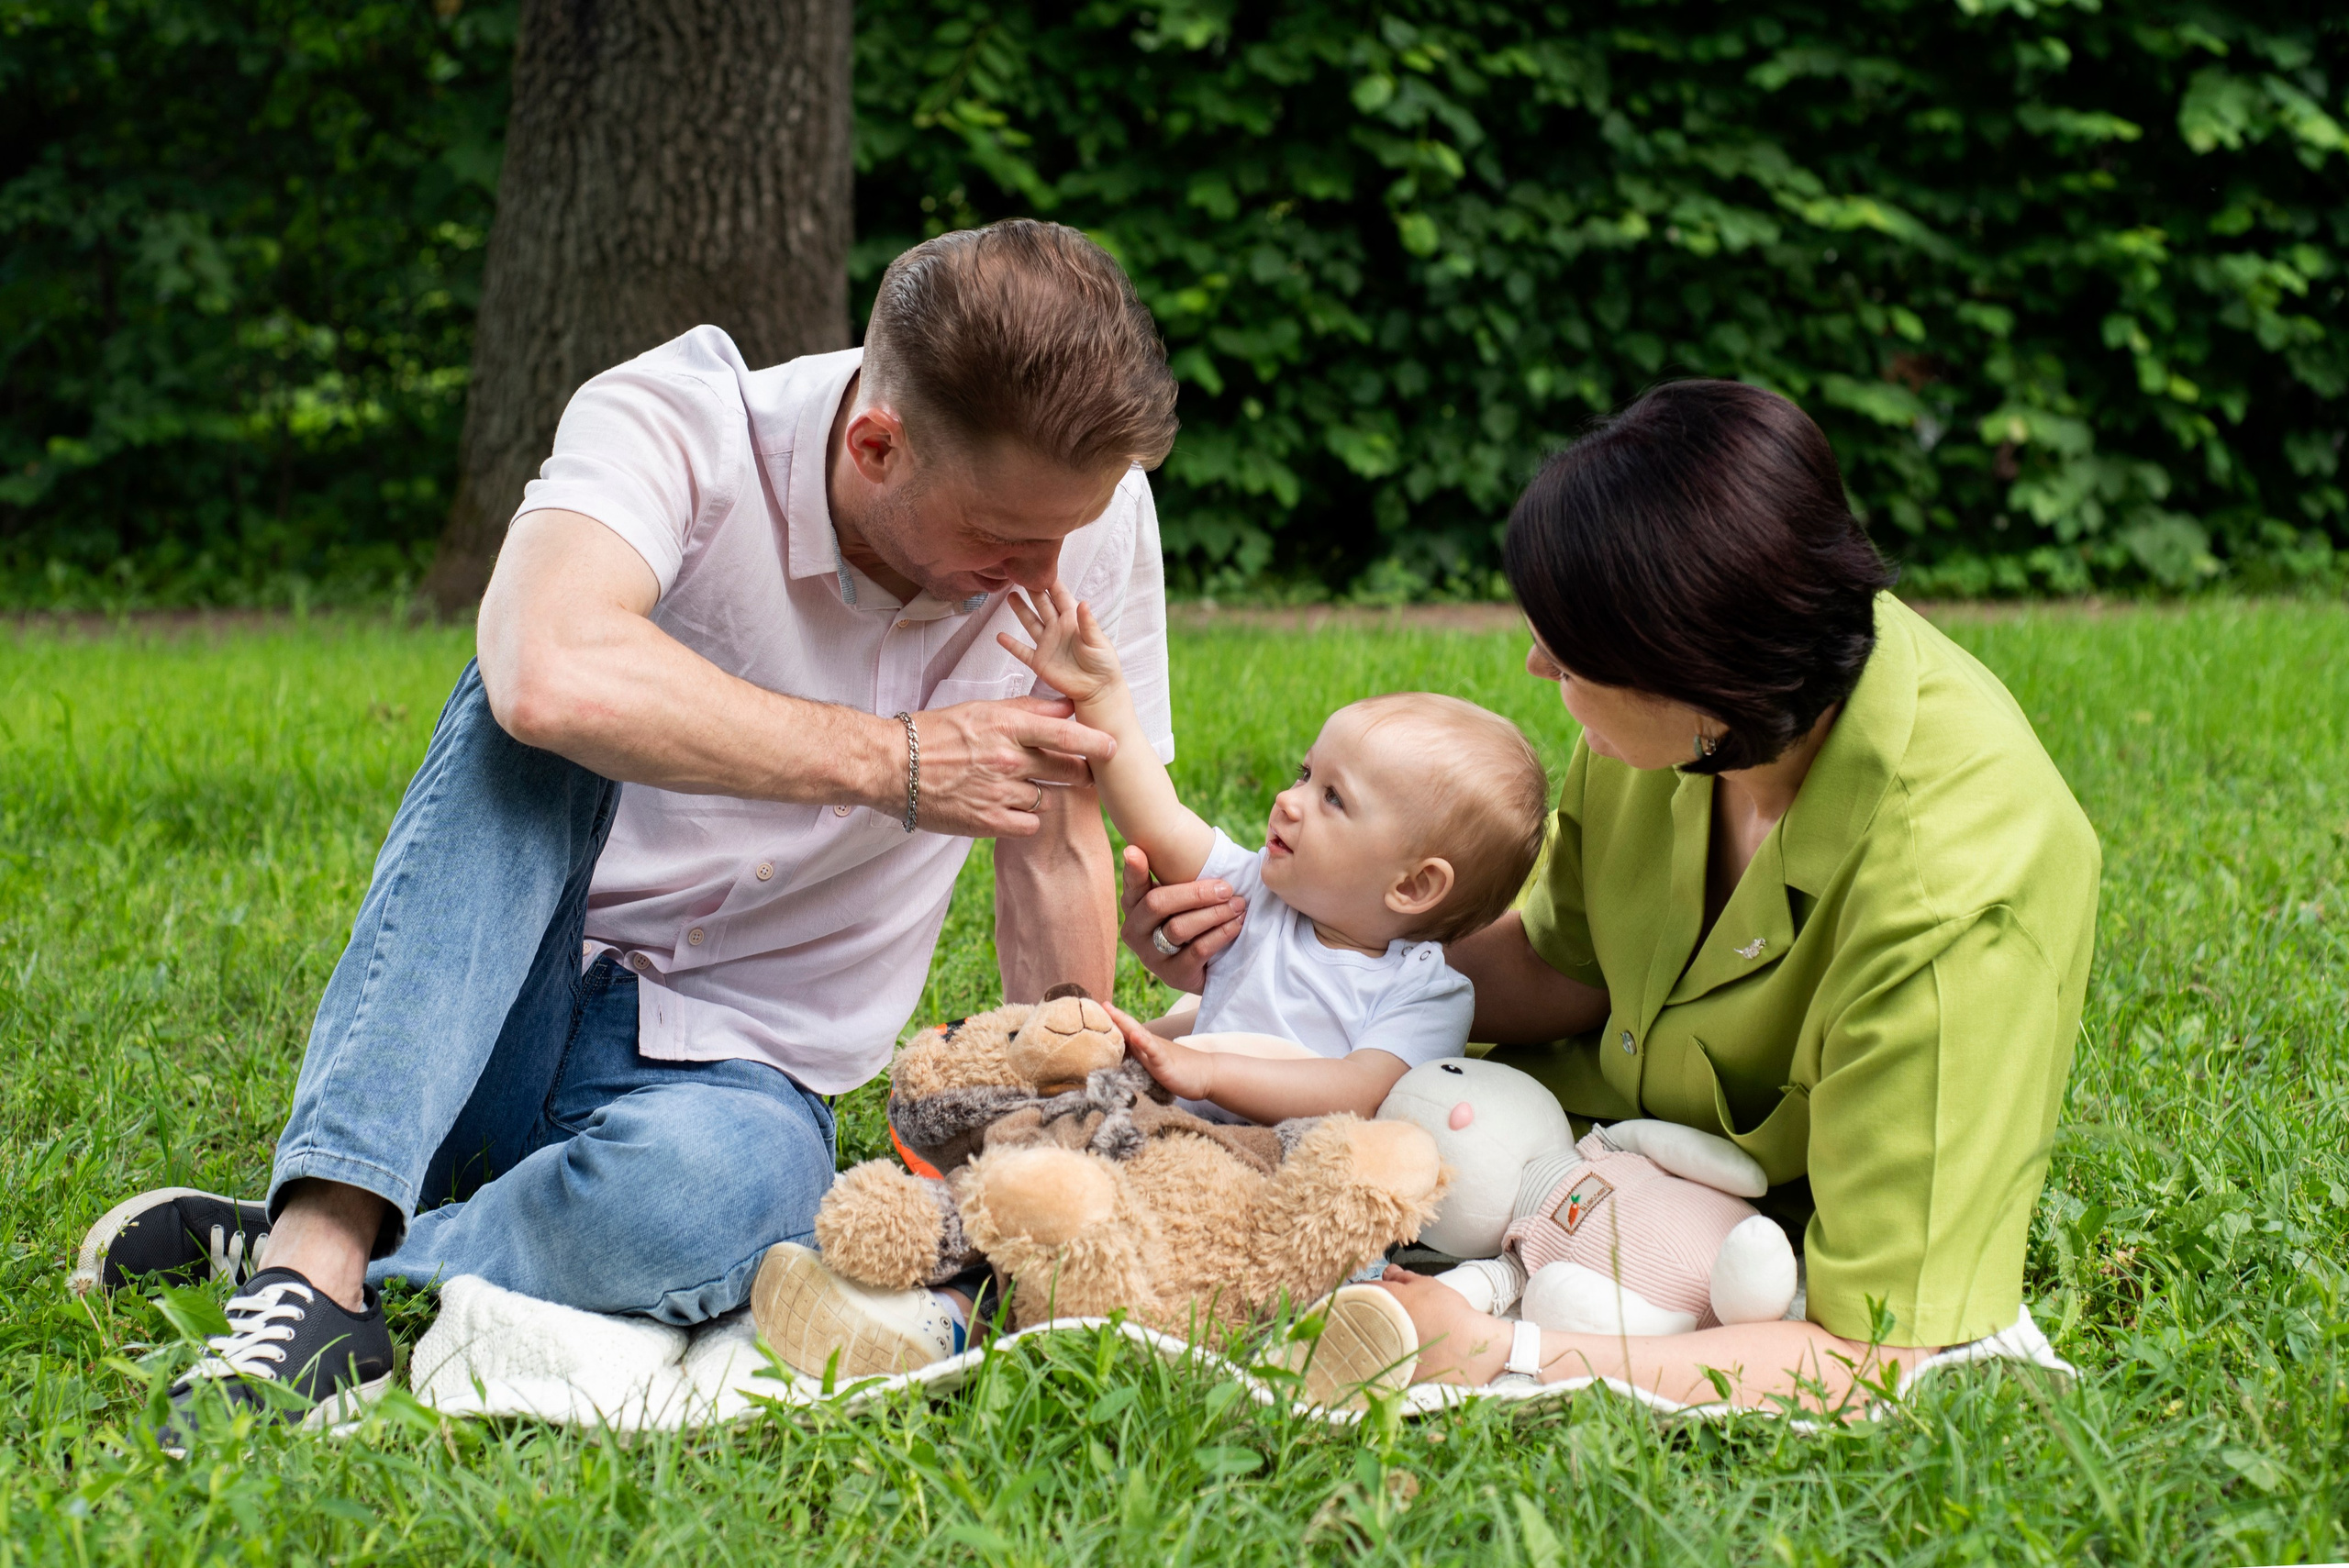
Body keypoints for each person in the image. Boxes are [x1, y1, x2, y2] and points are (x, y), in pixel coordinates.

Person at [72, 219, 1183, 1439]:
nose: (1043, 569)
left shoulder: (1086, 510)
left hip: (733, 1086)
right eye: (1004, 539)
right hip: (486, 1015)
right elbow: (545, 671)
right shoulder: (683, 423)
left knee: (748, 1196)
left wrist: (1062, 1149)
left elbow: (1055, 840)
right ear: (878, 444)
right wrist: (894, 762)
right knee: (528, 695)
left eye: (1066, 533)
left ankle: (330, 1260)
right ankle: (320, 1251)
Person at [1123, 380, 2101, 1411]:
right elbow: (1562, 967)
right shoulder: (1682, 720)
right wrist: (1290, 951)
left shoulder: (1953, 903)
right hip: (1545, 1170)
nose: (1536, 662)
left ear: (1693, 674)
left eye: (1570, 653)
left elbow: (1882, 1350)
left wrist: (1509, 1348)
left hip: (1711, 1258)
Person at [999, 583, 1550, 1122]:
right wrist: (1103, 699)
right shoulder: (1258, 894)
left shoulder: (1425, 995)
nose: (1288, 800)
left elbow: (1359, 1092)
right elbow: (1159, 822)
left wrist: (1210, 1072)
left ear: (1413, 885)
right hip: (1179, 1132)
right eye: (1305, 774)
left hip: (1294, 1160)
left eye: (1333, 798)